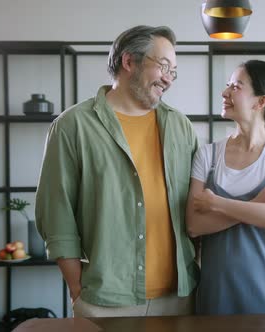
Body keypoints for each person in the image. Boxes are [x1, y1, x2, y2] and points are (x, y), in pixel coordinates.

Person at [35, 25, 199, 317]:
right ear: (128, 62)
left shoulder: (180, 126)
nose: (168, 79)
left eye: (173, 71)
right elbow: (55, 213)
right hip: (105, 301)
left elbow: (195, 206)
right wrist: (76, 288)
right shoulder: (73, 125)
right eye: (163, 66)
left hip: (179, 297)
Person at [186, 60, 265, 315]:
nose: (225, 93)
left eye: (236, 87)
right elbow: (194, 225)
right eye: (227, 85)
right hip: (216, 298)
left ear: (260, 101)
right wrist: (256, 204)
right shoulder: (207, 155)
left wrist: (216, 203)